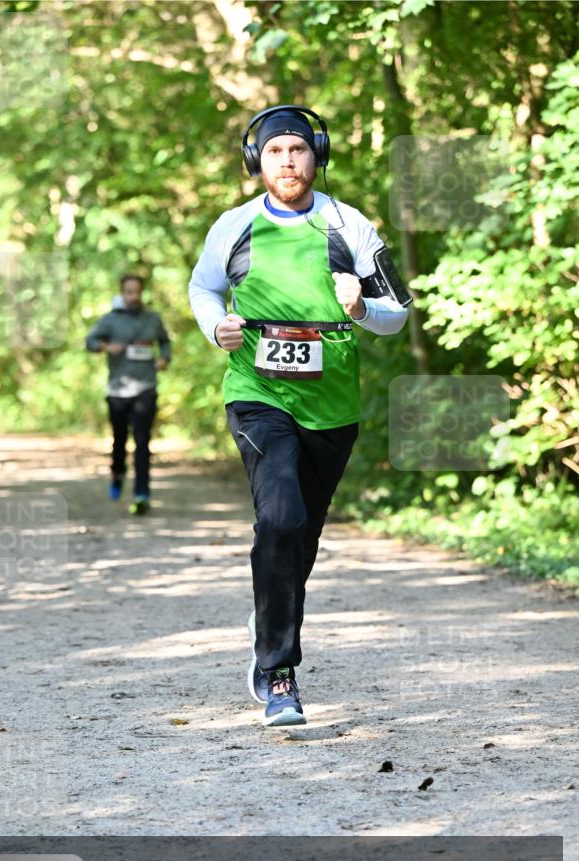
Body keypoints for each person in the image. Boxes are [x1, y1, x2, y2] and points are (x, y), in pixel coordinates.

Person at [188, 105, 411, 727]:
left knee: (301, 533)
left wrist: (362, 307)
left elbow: (399, 313)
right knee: (280, 515)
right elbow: (202, 288)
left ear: (318, 155)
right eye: (275, 150)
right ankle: (279, 672)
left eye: (298, 149)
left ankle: (270, 612)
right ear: (256, 161)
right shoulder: (234, 225)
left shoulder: (351, 226)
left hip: (333, 405)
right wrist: (217, 326)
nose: (288, 160)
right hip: (257, 391)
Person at [86, 274, 171, 514]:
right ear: (122, 294)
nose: (133, 296)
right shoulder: (110, 320)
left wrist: (165, 358)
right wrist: (105, 347)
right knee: (119, 439)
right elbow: (90, 341)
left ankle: (141, 493)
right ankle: (117, 473)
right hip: (117, 391)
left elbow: (164, 342)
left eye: (137, 291)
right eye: (129, 292)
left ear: (142, 292)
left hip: (146, 387)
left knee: (143, 441)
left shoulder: (153, 319)